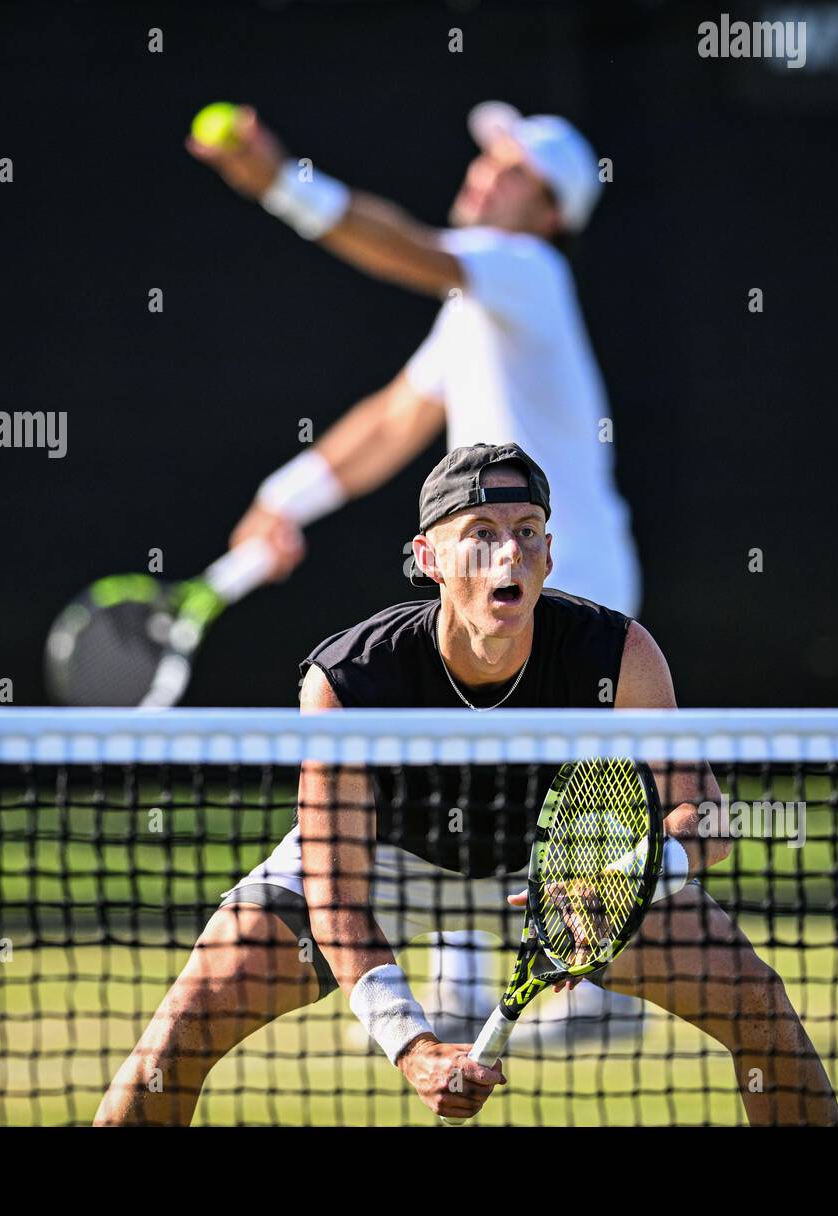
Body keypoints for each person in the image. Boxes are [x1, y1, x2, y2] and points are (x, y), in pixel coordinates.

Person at [94, 445, 838, 1126]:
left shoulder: (618, 655)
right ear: (430, 558)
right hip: (379, 858)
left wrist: (618, 883)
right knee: (183, 1029)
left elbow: (707, 818)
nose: (507, 551)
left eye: (526, 531)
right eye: (481, 531)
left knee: (759, 1008)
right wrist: (412, 1045)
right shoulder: (351, 679)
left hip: (563, 871)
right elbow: (335, 892)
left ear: (548, 556)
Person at [187, 100, 642, 1031]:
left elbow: (406, 247)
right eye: (486, 159)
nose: (484, 174)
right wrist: (285, 500)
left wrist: (279, 182)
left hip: (572, 576)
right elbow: (396, 419)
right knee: (455, 758)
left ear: (551, 207)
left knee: (573, 791)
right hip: (492, 573)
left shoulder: (525, 269)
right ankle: (468, 979)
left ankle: (591, 982)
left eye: (510, 169)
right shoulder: (473, 310)